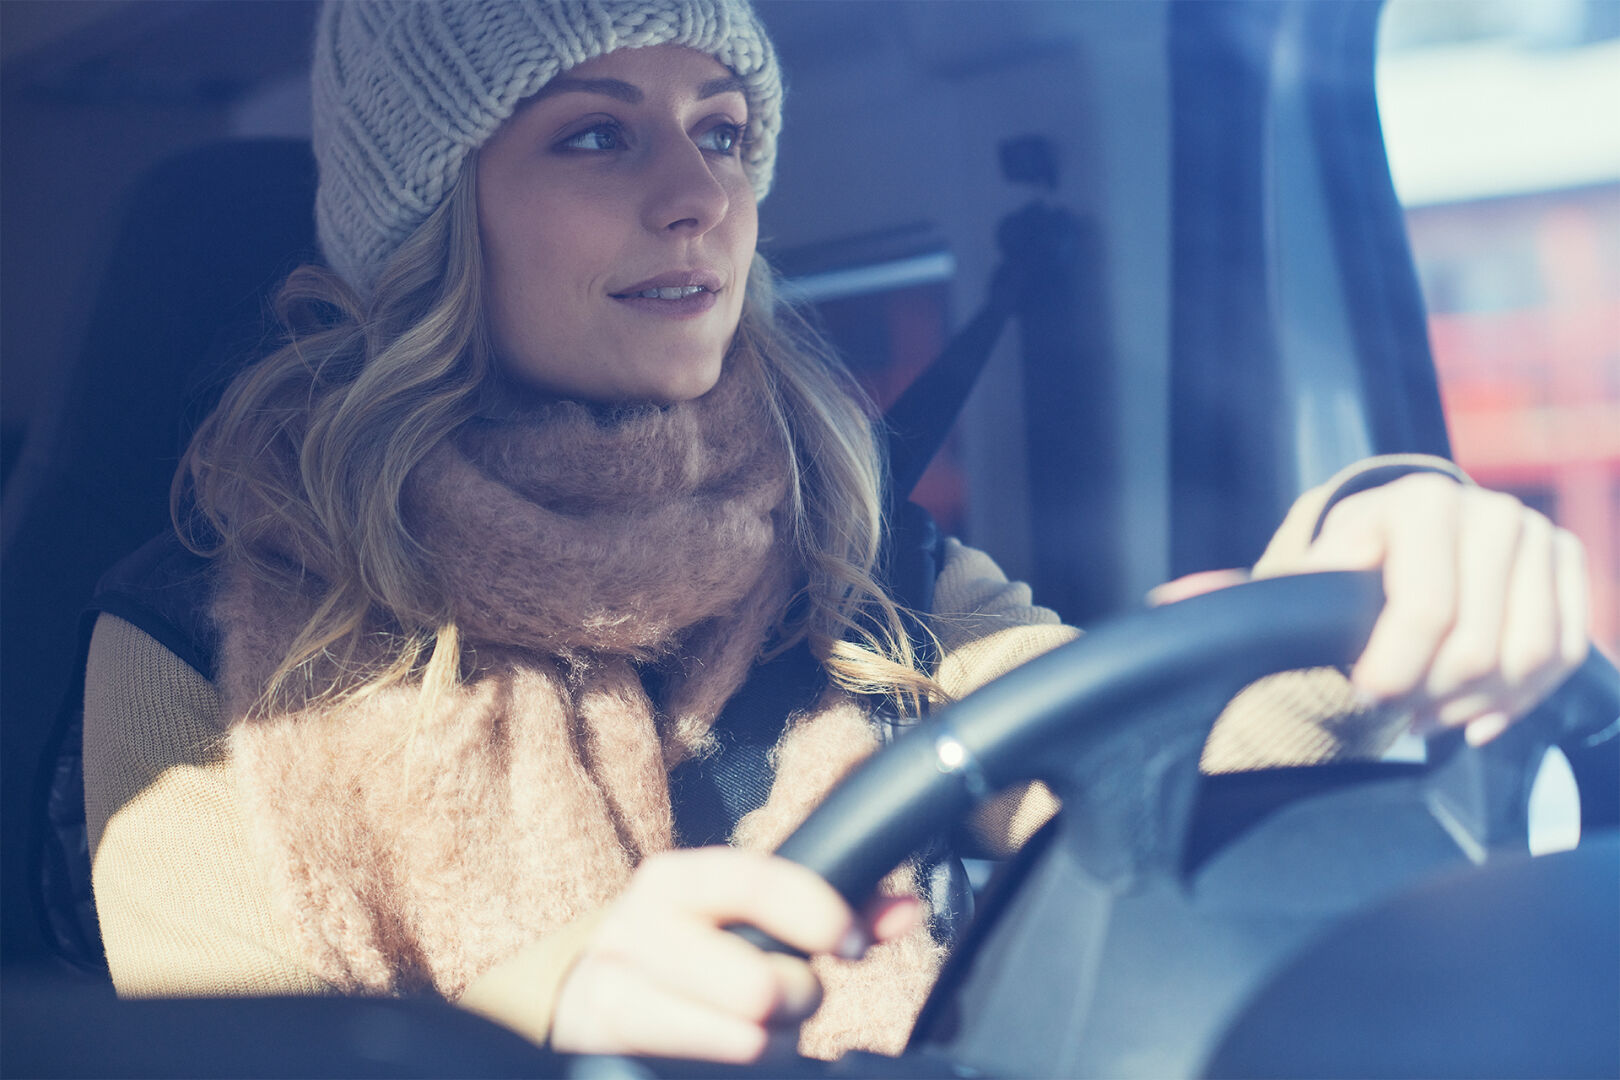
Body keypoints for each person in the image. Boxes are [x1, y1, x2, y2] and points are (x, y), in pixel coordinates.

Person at [81, 0, 1591, 1066]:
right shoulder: (194, 648)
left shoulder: (873, 572)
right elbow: (224, 1050)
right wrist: (546, 1015)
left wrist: (1389, 551)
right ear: (430, 217)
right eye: (597, 137)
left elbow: (1157, 782)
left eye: (724, 129)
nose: (701, 195)